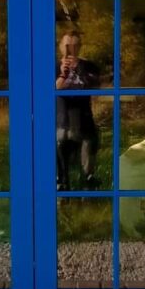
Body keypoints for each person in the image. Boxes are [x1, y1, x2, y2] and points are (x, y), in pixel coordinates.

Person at [55, 30, 100, 189]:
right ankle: (62, 188)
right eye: (68, 46)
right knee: (61, 164)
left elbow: (96, 86)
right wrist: (63, 73)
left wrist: (79, 68)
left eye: (75, 46)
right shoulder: (54, 66)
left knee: (88, 165)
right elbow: (53, 89)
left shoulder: (89, 66)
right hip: (61, 120)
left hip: (84, 120)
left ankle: (88, 188)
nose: (71, 50)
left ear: (80, 47)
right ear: (61, 46)